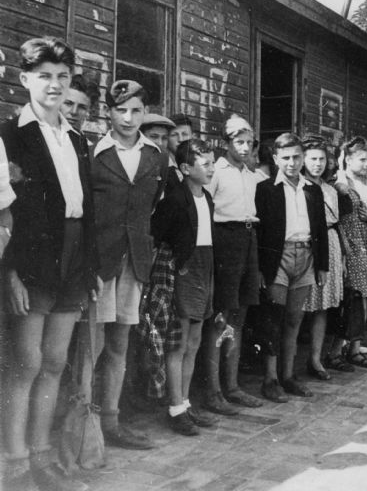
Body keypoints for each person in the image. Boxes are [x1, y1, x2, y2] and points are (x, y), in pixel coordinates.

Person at [2, 37, 96, 491]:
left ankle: (43, 456)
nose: (55, 85)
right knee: (26, 360)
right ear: (25, 79)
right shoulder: (9, 136)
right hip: (31, 259)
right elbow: (6, 215)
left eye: (63, 76)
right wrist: (11, 273)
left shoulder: (76, 137)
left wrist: (91, 266)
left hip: (73, 258)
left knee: (56, 360)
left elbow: (85, 208)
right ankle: (15, 463)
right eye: (45, 77)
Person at [90, 79, 167, 449]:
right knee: (90, 345)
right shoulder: (94, 152)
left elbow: (152, 206)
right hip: (98, 260)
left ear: (144, 113)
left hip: (134, 261)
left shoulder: (155, 156)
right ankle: (84, 425)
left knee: (120, 342)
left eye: (136, 110)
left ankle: (111, 422)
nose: (128, 117)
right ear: (108, 112)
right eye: (121, 110)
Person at [255, 132, 329, 401]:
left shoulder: (312, 190)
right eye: (285, 158)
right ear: (275, 159)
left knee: (295, 318)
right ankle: (270, 378)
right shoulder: (265, 190)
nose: (292, 163)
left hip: (306, 257)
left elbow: (319, 229)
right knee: (273, 317)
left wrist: (321, 265)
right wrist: (262, 269)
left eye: (297, 157)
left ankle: (288, 376)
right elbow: (260, 233)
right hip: (279, 259)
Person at [151, 139, 217, 435]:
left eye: (212, 163)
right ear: (186, 168)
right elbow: (158, 237)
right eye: (206, 164)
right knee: (178, 342)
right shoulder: (175, 199)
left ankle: (186, 402)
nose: (211, 169)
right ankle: (175, 407)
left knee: (195, 342)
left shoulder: (208, 198)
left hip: (205, 268)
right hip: (184, 270)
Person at [202, 115, 264, 414]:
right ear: (226, 143)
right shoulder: (216, 171)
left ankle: (233, 386)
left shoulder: (250, 173)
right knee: (220, 319)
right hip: (224, 241)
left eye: (248, 142)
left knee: (238, 318)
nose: (244, 147)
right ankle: (213, 392)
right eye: (238, 142)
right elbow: (205, 207)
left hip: (248, 239)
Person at [333, 137, 367, 369]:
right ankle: (336, 350)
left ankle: (354, 349)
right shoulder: (338, 183)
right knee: (352, 299)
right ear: (347, 159)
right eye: (362, 159)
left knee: (362, 299)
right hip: (349, 244)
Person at [301, 136, 344, 381]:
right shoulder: (300, 186)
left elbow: (335, 224)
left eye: (322, 159)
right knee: (300, 305)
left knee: (322, 306)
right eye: (313, 159)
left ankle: (315, 358)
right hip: (307, 245)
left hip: (330, 243)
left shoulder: (330, 189)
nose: (317, 164)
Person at [166, 113, 194, 192]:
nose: (180, 139)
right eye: (174, 135)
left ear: (192, 136)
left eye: (185, 134)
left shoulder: (197, 165)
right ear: (167, 138)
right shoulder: (162, 166)